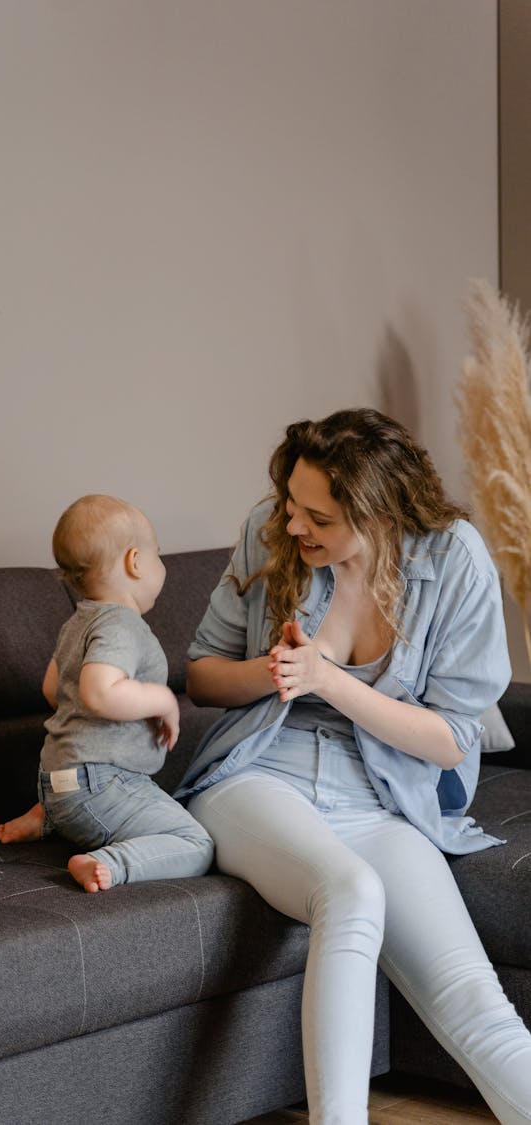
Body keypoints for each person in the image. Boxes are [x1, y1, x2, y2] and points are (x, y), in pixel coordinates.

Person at [174, 408, 531, 1125]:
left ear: (378, 513)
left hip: (381, 793)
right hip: (256, 774)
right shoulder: (271, 533)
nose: (295, 526)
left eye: (320, 517)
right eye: (290, 505)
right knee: (352, 890)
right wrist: (278, 671)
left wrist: (331, 678)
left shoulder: (454, 558)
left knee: (477, 1002)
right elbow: (202, 677)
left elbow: (451, 740)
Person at [0, 493, 213, 893]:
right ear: (135, 562)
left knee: (79, 797)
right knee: (196, 844)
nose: (162, 565)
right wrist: (162, 699)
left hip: (57, 780)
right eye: (158, 554)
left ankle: (49, 817)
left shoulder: (77, 623)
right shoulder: (121, 626)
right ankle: (104, 861)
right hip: (101, 783)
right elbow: (97, 693)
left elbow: (52, 690)